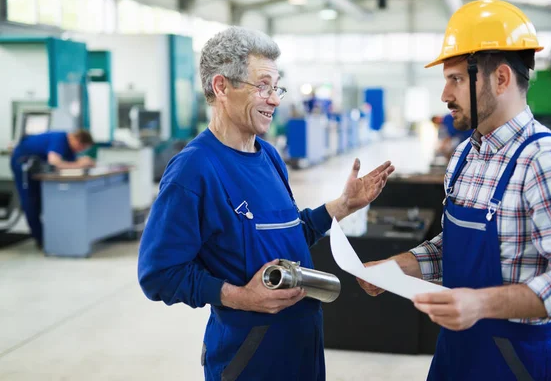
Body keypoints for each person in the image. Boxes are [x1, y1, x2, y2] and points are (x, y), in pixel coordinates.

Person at [357, 0, 551, 380]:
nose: (444, 94)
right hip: (457, 352)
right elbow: (454, 244)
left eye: (454, 79)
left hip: (520, 361)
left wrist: (482, 304)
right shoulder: (466, 155)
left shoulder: (545, 161)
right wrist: (397, 268)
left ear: (501, 79)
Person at [137, 26, 394, 381]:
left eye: (276, 88)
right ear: (221, 87)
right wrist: (240, 297)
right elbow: (159, 273)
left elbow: (286, 236)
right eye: (263, 87)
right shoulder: (194, 170)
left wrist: (342, 206)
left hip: (303, 348)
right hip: (249, 358)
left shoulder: (269, 156)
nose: (274, 99)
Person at [10, 129, 95, 248]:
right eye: (81, 147)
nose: (80, 151)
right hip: (23, 164)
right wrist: (79, 164)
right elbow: (55, 163)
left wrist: (83, 163)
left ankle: (53, 236)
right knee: (31, 203)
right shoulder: (59, 139)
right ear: (77, 140)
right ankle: (41, 240)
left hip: (38, 167)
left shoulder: (69, 148)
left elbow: (69, 164)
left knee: (43, 202)